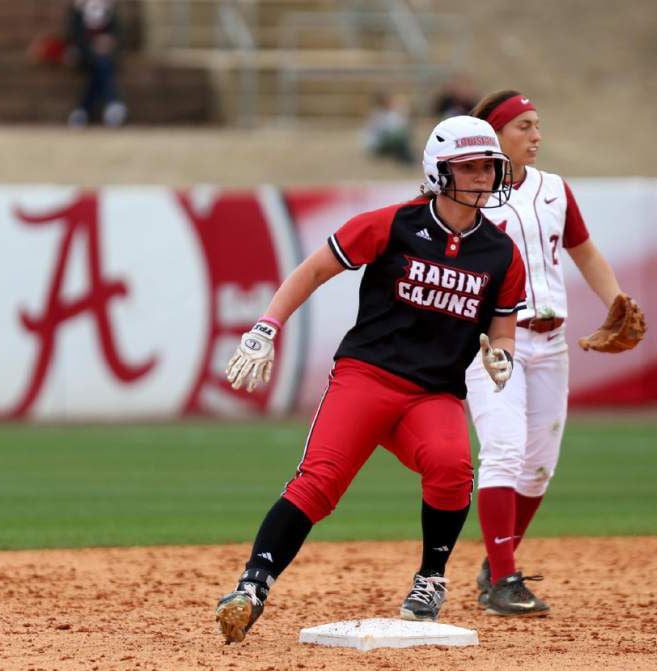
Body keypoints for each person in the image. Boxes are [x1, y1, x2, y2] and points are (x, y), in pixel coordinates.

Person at [215, 115, 528, 644]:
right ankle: (251, 587)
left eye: (488, 167)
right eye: (468, 166)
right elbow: (314, 268)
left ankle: (430, 579)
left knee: (452, 470)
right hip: (368, 376)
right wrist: (266, 326)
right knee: (319, 482)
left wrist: (503, 355)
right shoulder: (393, 223)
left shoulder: (500, 251)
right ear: (437, 170)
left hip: (433, 392)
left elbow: (503, 328)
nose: (480, 177)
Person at [464, 91, 647, 617]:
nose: (536, 135)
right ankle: (503, 582)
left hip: (551, 342)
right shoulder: (467, 194)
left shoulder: (553, 189)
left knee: (539, 467)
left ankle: (498, 561)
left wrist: (615, 300)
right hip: (493, 343)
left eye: (538, 125)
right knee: (502, 451)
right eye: (523, 126)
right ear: (495, 135)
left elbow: (583, 251)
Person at [65, 0, 127, 127]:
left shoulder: (109, 8)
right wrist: (91, 46)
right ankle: (112, 102)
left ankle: (82, 111)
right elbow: (73, 34)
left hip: (105, 55)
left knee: (101, 67)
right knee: (101, 67)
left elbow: (117, 33)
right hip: (84, 55)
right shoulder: (77, 9)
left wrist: (108, 42)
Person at [363, 91, 414, 165]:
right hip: (378, 145)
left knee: (402, 135)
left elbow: (401, 125)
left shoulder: (387, 113)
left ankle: (405, 156)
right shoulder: (378, 114)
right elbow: (386, 131)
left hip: (383, 141)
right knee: (399, 137)